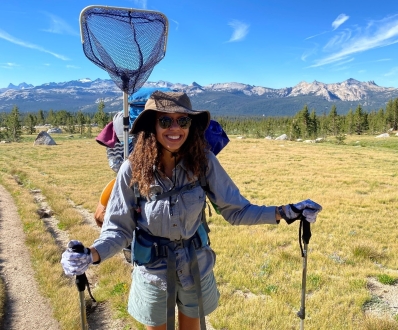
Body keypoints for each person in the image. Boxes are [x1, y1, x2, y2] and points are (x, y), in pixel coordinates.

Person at [61, 90, 322, 330]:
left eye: (182, 121)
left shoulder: (204, 162)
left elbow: (237, 211)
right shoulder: (132, 170)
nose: (175, 128)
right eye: (165, 121)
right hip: (153, 273)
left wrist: (286, 212)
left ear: (190, 126)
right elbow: (118, 229)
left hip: (196, 266)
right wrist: (91, 254)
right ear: (152, 126)